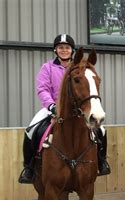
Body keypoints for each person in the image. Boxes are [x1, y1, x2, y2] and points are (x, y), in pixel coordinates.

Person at [18, 34, 111, 184]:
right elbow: (42, 89)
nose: (64, 50)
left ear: (72, 50)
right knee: (31, 130)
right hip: (52, 107)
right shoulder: (47, 67)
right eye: (60, 47)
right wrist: (51, 106)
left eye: (67, 47)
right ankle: (28, 168)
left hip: (77, 108)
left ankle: (101, 162)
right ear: (55, 50)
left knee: (101, 130)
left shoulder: (79, 68)